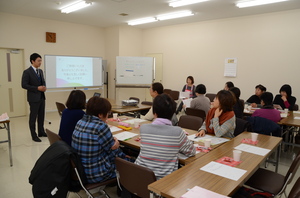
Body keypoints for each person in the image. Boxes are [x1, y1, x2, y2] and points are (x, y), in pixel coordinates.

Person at [135, 94, 195, 180]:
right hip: (162, 182)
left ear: (154, 113)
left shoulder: (143, 128)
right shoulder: (177, 132)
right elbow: (191, 151)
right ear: (172, 113)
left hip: (139, 176)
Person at [72, 96, 130, 183]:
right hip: (96, 174)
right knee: (131, 165)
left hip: (79, 172)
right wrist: (124, 155)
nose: (107, 116)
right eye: (107, 113)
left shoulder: (79, 122)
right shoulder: (100, 126)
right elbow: (113, 151)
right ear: (100, 114)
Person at [21, 53, 47, 142]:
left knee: (41, 115)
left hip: (41, 97)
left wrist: (44, 87)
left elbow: (43, 82)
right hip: (33, 98)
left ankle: (41, 132)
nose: (40, 62)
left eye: (41, 60)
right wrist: (37, 88)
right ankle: (34, 135)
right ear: (33, 61)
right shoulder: (27, 72)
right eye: (38, 61)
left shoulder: (40, 71)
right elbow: (24, 85)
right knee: (33, 117)